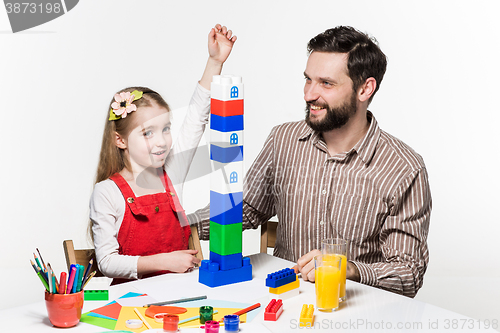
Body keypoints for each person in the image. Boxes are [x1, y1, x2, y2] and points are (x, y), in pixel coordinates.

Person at [189, 26, 431, 298]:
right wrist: (177, 226)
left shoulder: (404, 168)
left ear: (365, 89)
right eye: (308, 80)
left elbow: (408, 273)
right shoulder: (283, 139)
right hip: (283, 300)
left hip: (353, 310)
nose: (309, 94)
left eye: (326, 83)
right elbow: (246, 208)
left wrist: (347, 268)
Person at [89, 24, 236, 284]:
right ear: (120, 139)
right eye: (148, 133)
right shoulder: (107, 192)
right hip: (132, 305)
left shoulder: (170, 173)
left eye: (165, 129)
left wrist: (214, 61)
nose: (161, 142)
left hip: (179, 294)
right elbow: (107, 262)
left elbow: (195, 119)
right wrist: (166, 261)